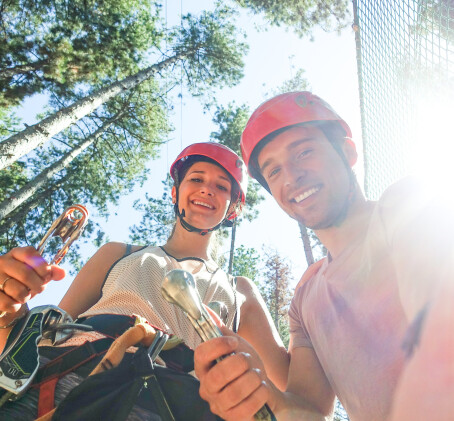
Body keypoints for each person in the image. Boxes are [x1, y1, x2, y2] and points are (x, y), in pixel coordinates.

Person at [194, 92, 454, 420]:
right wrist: (261, 393)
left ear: (347, 152)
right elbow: (310, 410)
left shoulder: (406, 205)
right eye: (273, 172)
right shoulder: (305, 302)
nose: (290, 176)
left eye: (304, 151)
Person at [0, 142, 288, 420]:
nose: (206, 189)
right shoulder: (116, 253)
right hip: (63, 379)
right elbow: (48, 335)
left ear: (233, 208)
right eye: (197, 178)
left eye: (221, 186)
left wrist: (310, 320)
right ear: (175, 193)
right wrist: (8, 308)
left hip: (174, 404)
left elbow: (290, 386)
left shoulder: (240, 291)